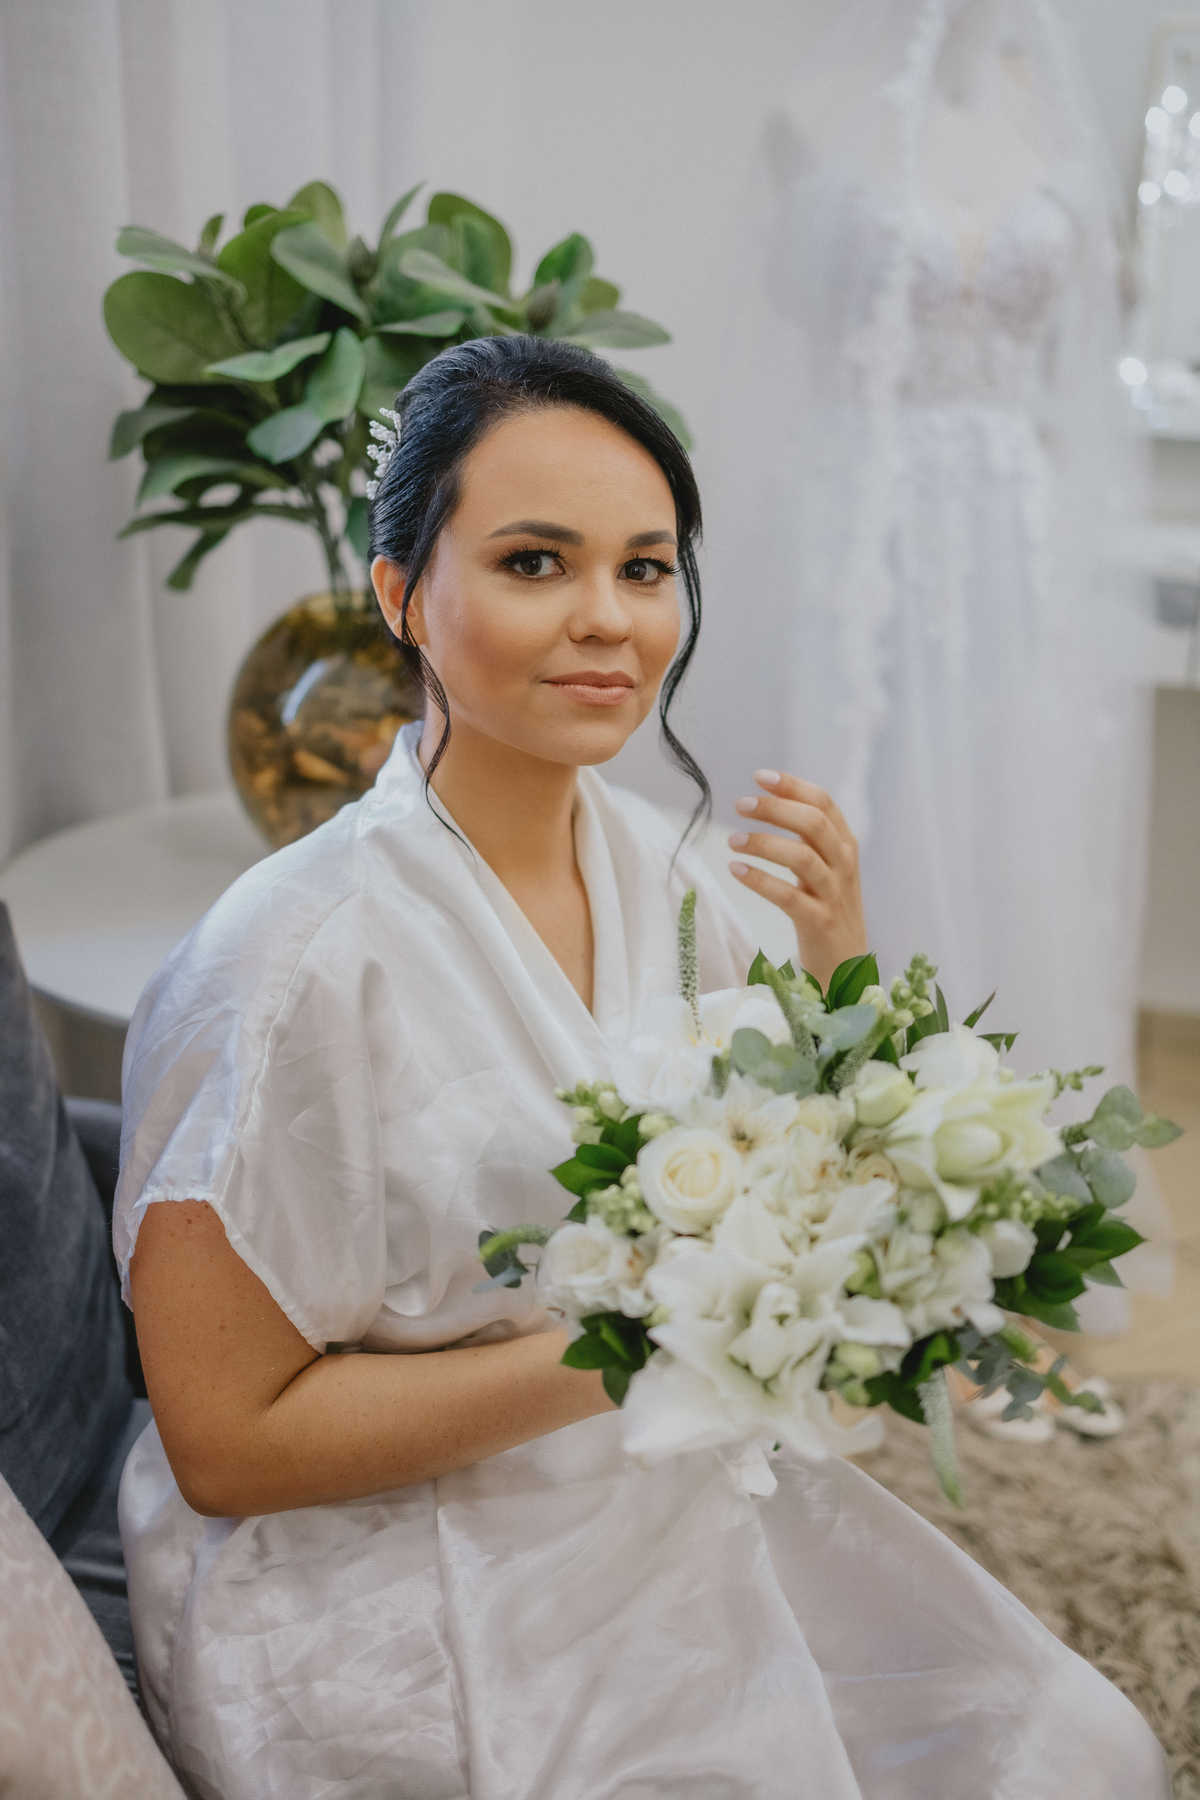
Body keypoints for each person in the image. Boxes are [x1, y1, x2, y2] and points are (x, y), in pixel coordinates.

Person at [115, 336, 1169, 1799]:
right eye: (534, 563)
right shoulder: (283, 967)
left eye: (646, 568)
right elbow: (226, 1444)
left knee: (1082, 1753)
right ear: (402, 594)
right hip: (393, 1571)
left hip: (658, 1484)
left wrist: (839, 969)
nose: (608, 619)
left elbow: (815, 1185)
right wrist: (642, 1343)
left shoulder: (684, 878)